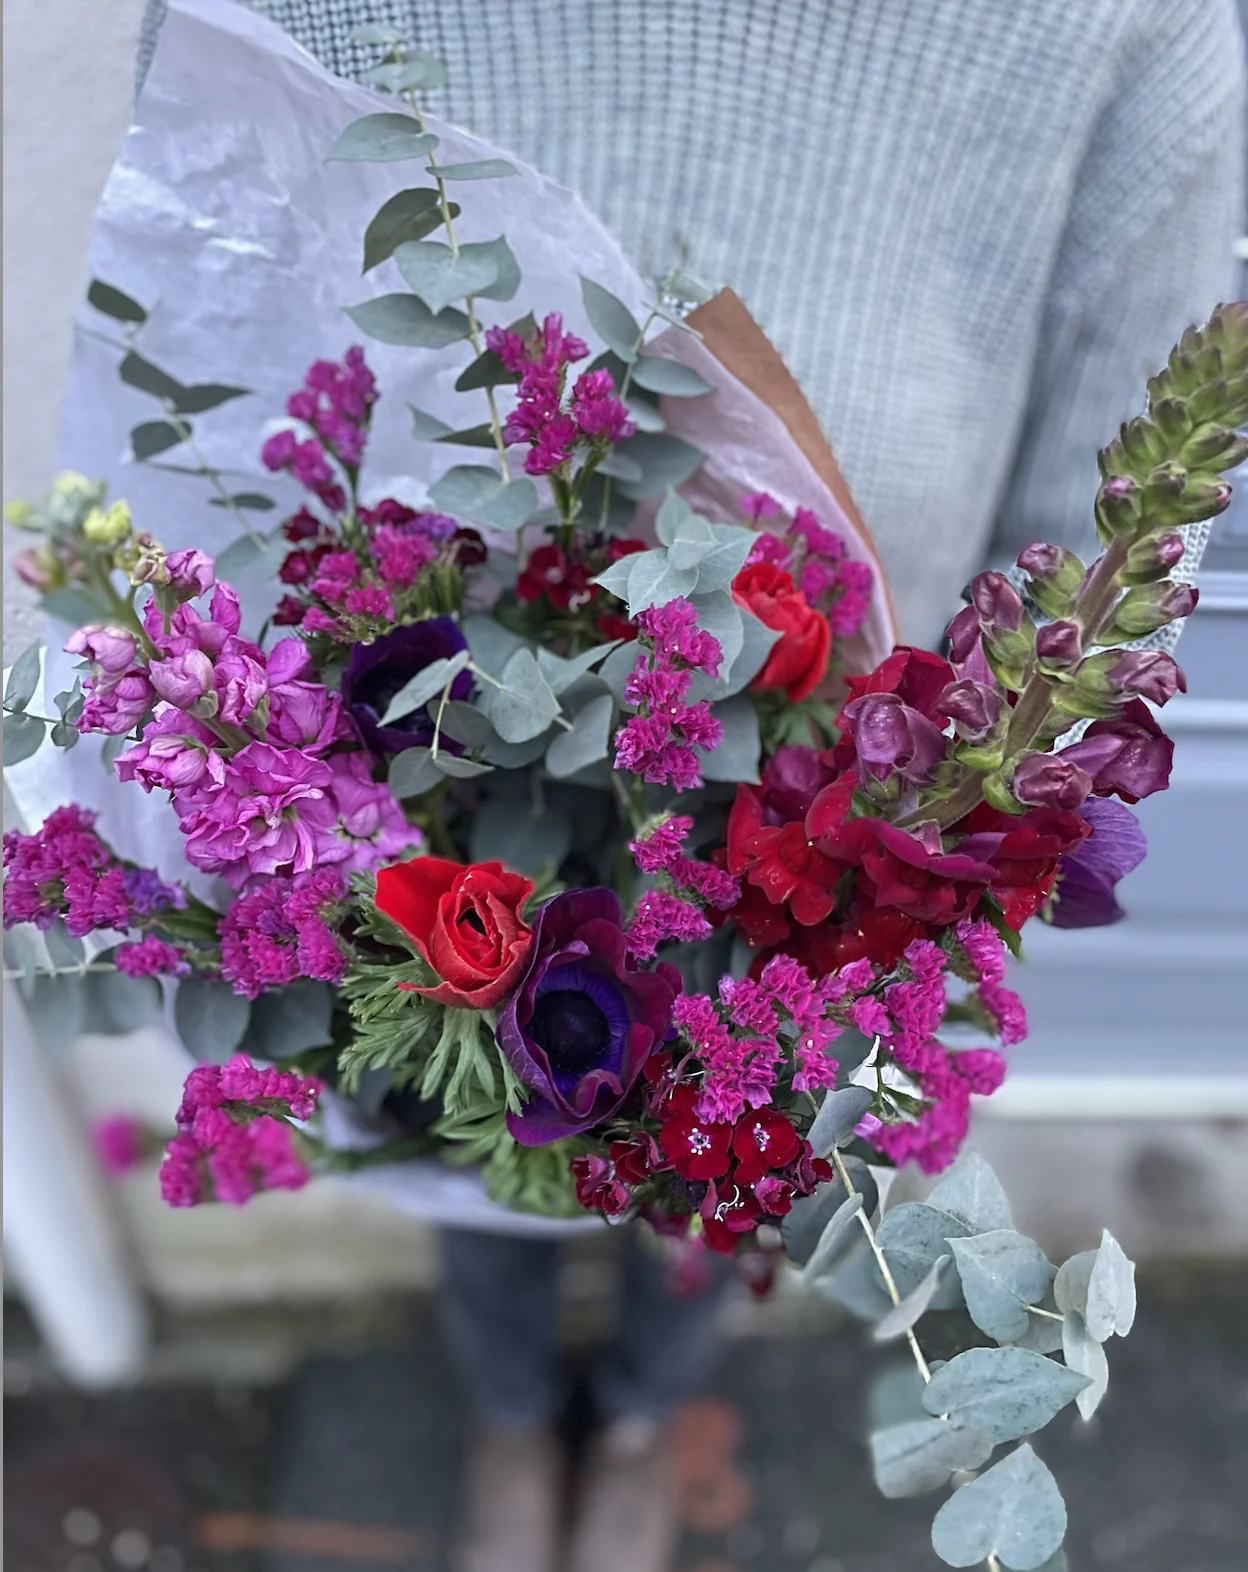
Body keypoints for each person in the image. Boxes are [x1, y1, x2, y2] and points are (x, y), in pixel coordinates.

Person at [136, 3, 1245, 1570]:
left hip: (837, 809)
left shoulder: (1135, 25)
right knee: (466, 1135)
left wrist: (972, 857)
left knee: (735, 1172)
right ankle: (516, 1409)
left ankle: (643, 1422)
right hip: (424, 765)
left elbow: (1106, 534)